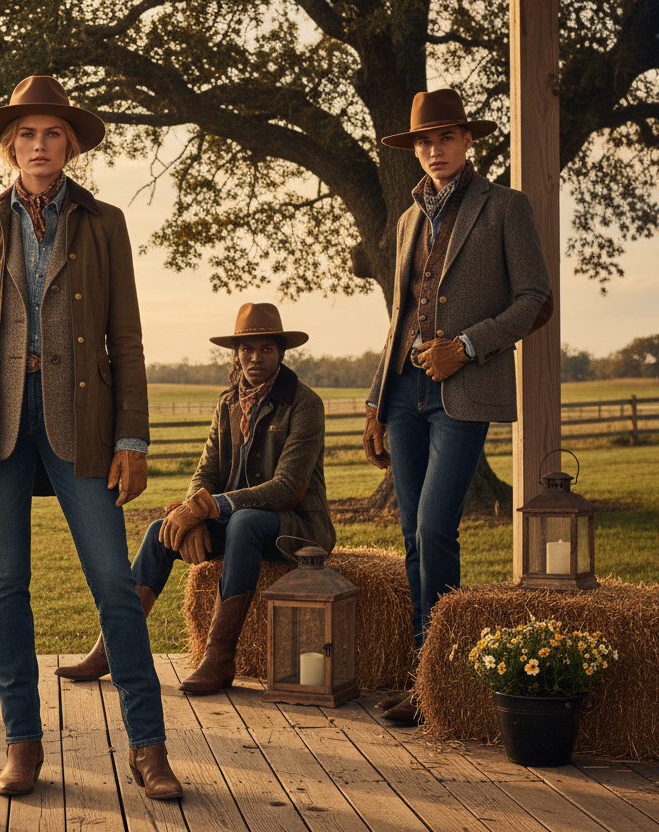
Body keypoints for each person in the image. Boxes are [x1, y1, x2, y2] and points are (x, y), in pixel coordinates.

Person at [0, 76, 181, 800]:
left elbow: (125, 337)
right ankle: (23, 743)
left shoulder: (104, 222)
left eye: (52, 134)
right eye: (27, 135)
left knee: (114, 583)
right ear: (10, 147)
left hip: (85, 421)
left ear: (69, 144)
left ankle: (148, 746)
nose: (39, 146)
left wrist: (133, 437)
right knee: (5, 585)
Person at [363, 89, 551, 722]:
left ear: (468, 141)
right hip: (402, 393)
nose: (434, 149)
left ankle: (440, 682)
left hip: (463, 392)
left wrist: (466, 347)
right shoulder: (408, 219)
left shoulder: (505, 207)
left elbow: (534, 299)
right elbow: (400, 315)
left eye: (445, 137)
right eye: (424, 141)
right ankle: (424, 677)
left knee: (434, 529)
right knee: (410, 538)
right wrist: (375, 400)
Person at [57, 303, 336, 693]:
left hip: (296, 528)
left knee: (245, 522)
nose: (255, 357)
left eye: (266, 349)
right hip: (237, 524)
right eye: (247, 349)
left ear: (281, 353)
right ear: (236, 355)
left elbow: (287, 487)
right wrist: (193, 513)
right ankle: (112, 649)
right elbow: (205, 472)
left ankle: (219, 658)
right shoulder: (227, 404)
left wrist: (211, 507)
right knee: (160, 531)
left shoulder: (305, 404)